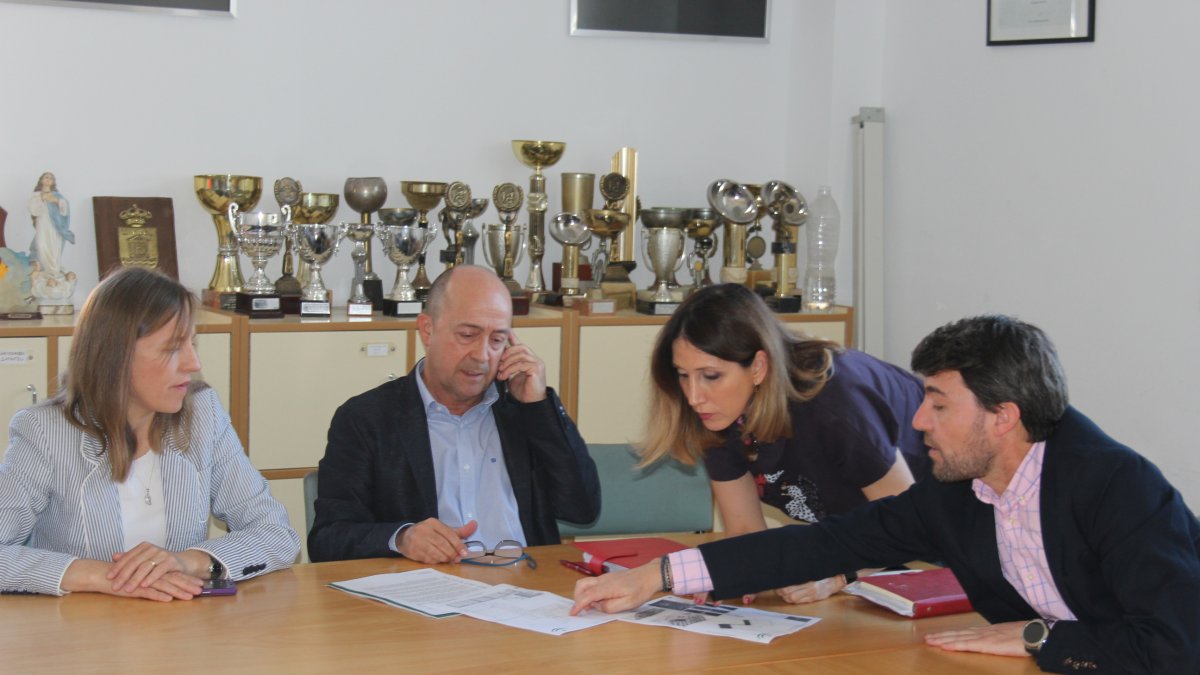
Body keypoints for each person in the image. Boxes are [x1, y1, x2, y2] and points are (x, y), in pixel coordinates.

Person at [573, 315, 1200, 674]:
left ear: (1003, 417)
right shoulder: (957, 491)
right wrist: (658, 575)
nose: (918, 421)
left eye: (938, 404)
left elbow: (1176, 646)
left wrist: (1042, 639)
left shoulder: (1119, 489)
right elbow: (819, 546)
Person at [0, 267, 300, 600]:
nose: (193, 362)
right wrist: (104, 576)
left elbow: (276, 534)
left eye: (192, 344)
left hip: (182, 631)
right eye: (172, 349)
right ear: (115, 356)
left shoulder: (202, 415)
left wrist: (190, 562)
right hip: (81, 635)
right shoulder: (45, 432)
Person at [641, 283, 930, 603]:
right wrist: (722, 574)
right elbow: (744, 531)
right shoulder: (718, 411)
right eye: (683, 374)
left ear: (759, 367)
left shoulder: (837, 405)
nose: (694, 397)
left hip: (944, 546)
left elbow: (910, 528)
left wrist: (840, 576)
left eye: (710, 376)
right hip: (872, 553)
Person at [309, 265, 600, 563]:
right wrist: (401, 538)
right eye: (467, 334)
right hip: (428, 593)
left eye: (497, 340)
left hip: (528, 585)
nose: (482, 355)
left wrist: (539, 407)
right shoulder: (367, 419)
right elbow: (328, 539)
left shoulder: (522, 411)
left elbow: (582, 508)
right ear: (427, 330)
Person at [27, 171, 74, 279]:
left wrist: (57, 201)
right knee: (41, 244)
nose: (48, 179)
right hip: (42, 224)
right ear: (41, 180)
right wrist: (41, 199)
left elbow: (65, 211)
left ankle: (53, 271)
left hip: (55, 226)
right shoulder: (37, 195)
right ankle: (43, 270)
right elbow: (33, 210)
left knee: (54, 246)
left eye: (51, 178)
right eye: (46, 177)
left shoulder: (58, 196)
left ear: (53, 182)